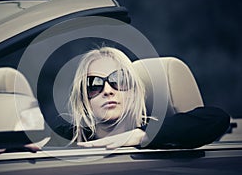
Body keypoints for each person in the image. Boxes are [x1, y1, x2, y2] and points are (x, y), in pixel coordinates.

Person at [61, 46, 230, 149]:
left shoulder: (162, 134)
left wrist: (142, 136)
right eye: (94, 84)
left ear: (134, 90)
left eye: (118, 80)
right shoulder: (70, 138)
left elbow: (217, 118)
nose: (107, 90)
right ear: (83, 97)